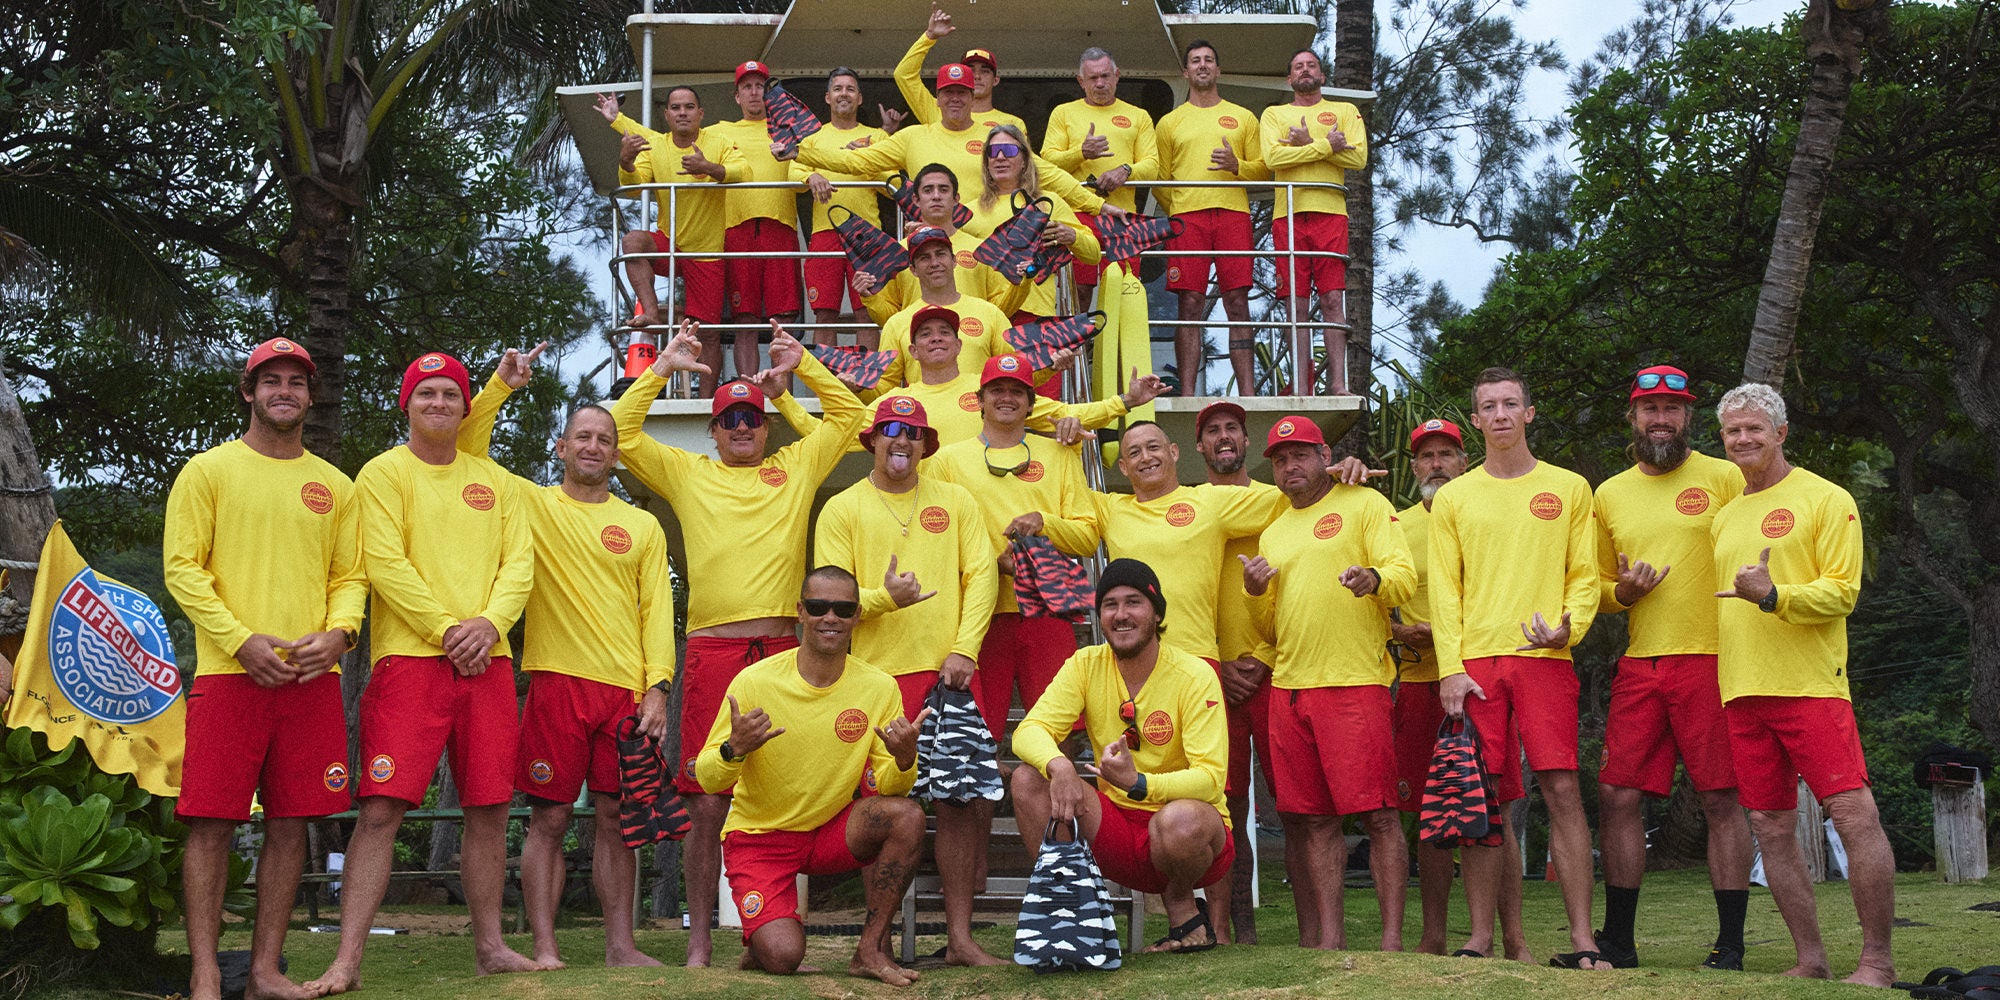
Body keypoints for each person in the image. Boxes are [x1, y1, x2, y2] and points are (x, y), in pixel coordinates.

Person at [609, 320, 865, 966]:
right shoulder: (690, 472)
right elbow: (621, 431)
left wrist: (795, 372)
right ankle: (699, 939)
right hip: (714, 654)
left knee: (784, 784)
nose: (744, 427)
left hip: (786, 653)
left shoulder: (795, 467)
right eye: (732, 420)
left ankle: (774, 921)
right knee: (704, 797)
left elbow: (851, 415)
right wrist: (661, 368)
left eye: (753, 418)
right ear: (714, 431)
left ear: (766, 425)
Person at [307, 352, 538, 993]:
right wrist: (446, 631)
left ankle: (490, 947)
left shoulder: (499, 482)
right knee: (381, 809)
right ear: (406, 404)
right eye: (426, 394)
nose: (438, 404)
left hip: (487, 662)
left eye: (450, 395)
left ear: (468, 407)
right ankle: (347, 960)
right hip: (412, 661)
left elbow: (518, 567)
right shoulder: (381, 474)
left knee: (489, 808)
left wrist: (489, 626)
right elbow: (384, 563)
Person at [455, 346, 674, 969]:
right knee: (549, 820)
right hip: (555, 683)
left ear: (615, 451)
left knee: (616, 819)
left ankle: (620, 947)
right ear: (561, 446)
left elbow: (657, 611)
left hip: (625, 693)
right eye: (583, 436)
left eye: (605, 438)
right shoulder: (529, 503)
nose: (594, 446)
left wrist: (657, 686)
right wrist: (500, 385)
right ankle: (544, 947)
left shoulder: (643, 526)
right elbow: (469, 451)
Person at [165, 338, 367, 1000]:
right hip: (229, 676)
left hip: (311, 682)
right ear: (248, 392)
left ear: (311, 396)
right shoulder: (207, 471)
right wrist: (239, 639)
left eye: (297, 382)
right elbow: (183, 570)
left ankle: (264, 972)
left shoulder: (335, 485)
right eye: (270, 380)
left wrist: (340, 635)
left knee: (291, 824)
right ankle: (202, 973)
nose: (285, 390)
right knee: (212, 822)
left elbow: (350, 575)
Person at [1710, 382, 1893, 987]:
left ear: (1781, 433)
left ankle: (1877, 962)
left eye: (1754, 429)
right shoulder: (1727, 513)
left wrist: (1776, 596)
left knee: (1852, 815)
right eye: (1733, 431)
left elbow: (1844, 591)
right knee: (1769, 827)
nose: (1742, 439)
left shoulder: (1826, 498)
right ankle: (1811, 960)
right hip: (1742, 690)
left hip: (1810, 686)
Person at [813, 395, 1005, 967]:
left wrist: (965, 649)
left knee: (962, 801)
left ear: (926, 444)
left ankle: (961, 939)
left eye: (914, 432)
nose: (902, 440)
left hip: (949, 673)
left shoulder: (956, 499)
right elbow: (830, 600)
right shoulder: (842, 508)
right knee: (882, 805)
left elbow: (982, 578)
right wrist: (883, 598)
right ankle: (877, 943)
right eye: (891, 430)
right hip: (872, 677)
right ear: (872, 439)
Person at [1430, 366, 1603, 968]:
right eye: (1488, 407)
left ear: (1529, 413)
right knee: (1483, 801)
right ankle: (1480, 938)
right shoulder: (1453, 497)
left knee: (1560, 788)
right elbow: (1444, 594)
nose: (1500, 415)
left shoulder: (1571, 488)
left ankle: (1583, 940)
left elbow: (1584, 576)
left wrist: (1570, 626)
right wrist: (1450, 668)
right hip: (1476, 662)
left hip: (1544, 656)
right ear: (1475, 420)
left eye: (1510, 404)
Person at [1591, 365, 1754, 970]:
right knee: (1617, 793)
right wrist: (1625, 594)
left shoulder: (1726, 476)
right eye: (1649, 410)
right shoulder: (1608, 492)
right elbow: (1600, 588)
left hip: (1712, 658)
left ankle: (1730, 945)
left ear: (1689, 417)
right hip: (1640, 660)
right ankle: (1618, 942)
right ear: (1632, 418)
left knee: (1720, 798)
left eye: (1673, 409)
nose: (1661, 419)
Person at [696, 566, 929, 986]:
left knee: (907, 815)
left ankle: (869, 951)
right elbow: (709, 779)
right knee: (784, 957)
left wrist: (905, 760)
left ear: (858, 615)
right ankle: (765, 942)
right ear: (800, 612)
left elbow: (891, 787)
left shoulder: (878, 687)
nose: (831, 618)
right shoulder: (754, 681)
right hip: (760, 838)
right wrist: (735, 749)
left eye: (843, 609)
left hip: (828, 831)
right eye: (819, 607)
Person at [1241, 415, 1416, 951]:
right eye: (1279, 459)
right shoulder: (1273, 531)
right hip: (1291, 689)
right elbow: (1271, 626)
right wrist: (1253, 592)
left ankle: (1390, 944)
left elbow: (1404, 574)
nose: (1290, 466)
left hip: (1353, 683)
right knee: (1313, 822)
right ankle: (1330, 945)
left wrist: (1374, 580)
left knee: (1380, 816)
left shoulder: (1362, 503)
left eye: (1300, 455)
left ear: (1324, 456)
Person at [1012, 558, 1233, 953]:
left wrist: (1138, 783)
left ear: (1157, 612)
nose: (1121, 614)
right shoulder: (1086, 663)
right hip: (1114, 828)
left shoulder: (1195, 673)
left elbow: (1211, 778)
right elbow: (1029, 730)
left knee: (1179, 819)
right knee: (1027, 780)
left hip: (1188, 838)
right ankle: (1068, 916)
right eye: (1110, 605)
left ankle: (1184, 910)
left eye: (1134, 602)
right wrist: (1058, 764)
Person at [1388, 417, 1532, 960]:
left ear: (1464, 461)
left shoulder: (1487, 508)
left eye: (1447, 453)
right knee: (1432, 813)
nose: (1436, 464)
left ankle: (1514, 938)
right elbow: (1377, 597)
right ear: (1413, 466)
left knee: (1497, 804)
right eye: (1426, 456)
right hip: (1423, 683)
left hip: (1482, 679)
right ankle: (1433, 936)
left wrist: (1456, 637)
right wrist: (1398, 631)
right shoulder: (1395, 525)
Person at [931, 353, 1100, 743]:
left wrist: (1045, 522)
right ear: (980, 400)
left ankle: (1053, 800)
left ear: (1031, 403)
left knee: (1061, 729)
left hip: (1046, 609)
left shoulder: (1059, 454)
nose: (1006, 398)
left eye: (1017, 392)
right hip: (978, 616)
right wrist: (993, 564)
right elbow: (937, 542)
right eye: (997, 390)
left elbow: (1088, 538)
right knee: (974, 735)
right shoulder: (945, 462)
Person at [796, 301, 1154, 448]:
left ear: (959, 345)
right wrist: (783, 396)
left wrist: (1125, 401)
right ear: (913, 352)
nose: (936, 337)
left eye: (944, 332)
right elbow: (828, 438)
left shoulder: (988, 393)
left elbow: (1060, 414)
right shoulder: (895, 403)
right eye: (925, 334)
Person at [795, 64, 1113, 226]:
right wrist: (801, 151)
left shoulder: (996, 140)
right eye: (949, 92)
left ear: (973, 96)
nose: (956, 99)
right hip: (933, 245)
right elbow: (855, 163)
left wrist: (1098, 206)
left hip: (987, 240)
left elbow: (1049, 174)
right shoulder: (912, 136)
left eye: (962, 92)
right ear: (938, 98)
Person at [1190, 402, 1281, 944]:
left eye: (1232, 429)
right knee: (1226, 806)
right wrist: (1218, 662)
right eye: (1213, 431)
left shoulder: (1278, 502)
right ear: (1198, 447)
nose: (1224, 437)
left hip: (1276, 669)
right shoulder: (1188, 506)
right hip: (1212, 674)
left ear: (1246, 440)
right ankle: (1236, 930)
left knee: (1294, 804)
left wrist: (1262, 658)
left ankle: (1319, 932)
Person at [602, 89, 747, 383]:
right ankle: (652, 313)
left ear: (700, 114)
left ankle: (707, 404)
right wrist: (626, 162)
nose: (683, 112)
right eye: (676, 108)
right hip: (669, 242)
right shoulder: (656, 145)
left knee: (707, 336)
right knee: (632, 242)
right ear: (666, 115)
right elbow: (633, 186)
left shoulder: (717, 141)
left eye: (689, 107)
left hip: (708, 252)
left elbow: (744, 172)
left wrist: (709, 168)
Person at [1157, 40, 1268, 393]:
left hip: (1233, 215)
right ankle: (1188, 392)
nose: (1202, 65)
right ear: (1185, 72)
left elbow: (1264, 171)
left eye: (1209, 60)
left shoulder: (1243, 117)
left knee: (1237, 301)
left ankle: (1247, 391)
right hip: (1188, 218)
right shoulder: (1170, 122)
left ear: (1218, 70)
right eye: (1195, 61)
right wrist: (1179, 207)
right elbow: (1160, 180)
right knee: (1189, 302)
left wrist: (1238, 167)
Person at [1258, 49, 1367, 395]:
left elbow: (1360, 157)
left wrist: (1305, 145)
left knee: (1334, 300)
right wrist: (1323, 145)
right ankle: (1302, 386)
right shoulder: (1275, 114)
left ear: (1322, 75)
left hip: (1331, 212)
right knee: (1296, 304)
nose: (1305, 70)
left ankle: (1337, 385)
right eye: (1298, 66)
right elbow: (1273, 157)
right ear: (1289, 78)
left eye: (1312, 65)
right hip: (1287, 214)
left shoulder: (1345, 111)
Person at [709, 61, 804, 377]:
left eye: (760, 86)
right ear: (736, 96)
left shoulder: (789, 132)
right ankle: (747, 387)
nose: (754, 92)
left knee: (785, 321)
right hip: (738, 229)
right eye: (747, 87)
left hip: (781, 227)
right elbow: (673, 139)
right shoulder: (720, 131)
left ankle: (783, 392)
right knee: (744, 320)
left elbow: (826, 153)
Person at [1040, 47, 1158, 291]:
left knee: (1122, 290)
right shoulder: (1063, 113)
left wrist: (1125, 171)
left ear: (1117, 75)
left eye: (1105, 76)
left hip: (1122, 216)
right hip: (1076, 214)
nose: (1101, 83)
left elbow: (1152, 167)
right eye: (1093, 78)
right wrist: (1081, 153)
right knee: (1078, 291)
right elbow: (1046, 163)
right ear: (1081, 81)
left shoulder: (1139, 116)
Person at [965, 123, 1103, 332]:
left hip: (1034, 315)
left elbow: (1093, 254)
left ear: (1024, 161)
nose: (1000, 157)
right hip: (982, 317)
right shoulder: (968, 212)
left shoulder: (1048, 203)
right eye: (993, 152)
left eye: (1009, 150)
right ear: (986, 162)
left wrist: (1071, 236)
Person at [797, 67, 899, 346]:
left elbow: (894, 186)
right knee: (824, 313)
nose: (844, 94)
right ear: (828, 98)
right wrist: (810, 175)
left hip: (867, 233)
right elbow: (791, 175)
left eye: (850, 89)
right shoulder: (812, 138)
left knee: (867, 311)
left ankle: (867, 386)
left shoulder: (877, 138)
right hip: (824, 233)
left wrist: (866, 163)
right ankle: (824, 387)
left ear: (860, 98)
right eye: (838, 89)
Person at [852, 163, 1022, 328]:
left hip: (974, 346)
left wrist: (1023, 283)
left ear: (956, 199)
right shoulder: (897, 252)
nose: (936, 196)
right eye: (928, 190)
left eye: (943, 189)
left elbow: (1000, 310)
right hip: (920, 349)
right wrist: (870, 297)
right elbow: (891, 321)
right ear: (915, 199)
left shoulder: (981, 249)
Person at [871, 227, 1018, 389]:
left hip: (979, 414)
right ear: (913, 270)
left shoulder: (990, 313)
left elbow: (1015, 372)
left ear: (954, 261)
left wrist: (1049, 368)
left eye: (940, 254)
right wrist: (852, 387)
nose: (934, 263)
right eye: (925, 258)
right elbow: (883, 387)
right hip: (923, 413)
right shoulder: (896, 324)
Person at [895, 9, 1030, 137]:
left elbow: (1025, 161)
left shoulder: (1012, 123)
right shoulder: (940, 109)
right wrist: (929, 37)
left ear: (996, 80)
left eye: (984, 71)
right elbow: (904, 74)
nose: (977, 76)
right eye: (970, 71)